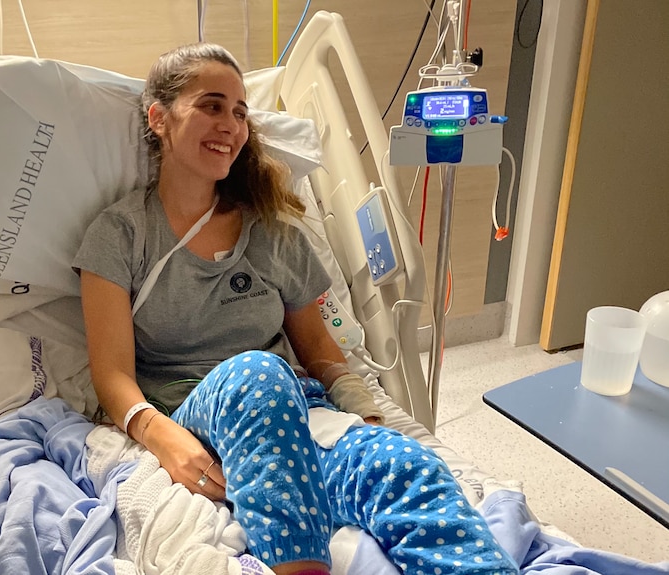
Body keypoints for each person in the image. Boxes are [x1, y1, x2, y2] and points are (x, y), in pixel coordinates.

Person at [74, 43, 518, 575]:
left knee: (405, 468)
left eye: (240, 112)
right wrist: (163, 438)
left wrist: (367, 414)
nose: (231, 125)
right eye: (211, 106)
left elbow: (322, 353)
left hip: (294, 416)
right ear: (160, 118)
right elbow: (111, 373)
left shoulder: (274, 236)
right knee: (258, 374)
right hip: (192, 416)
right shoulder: (120, 234)